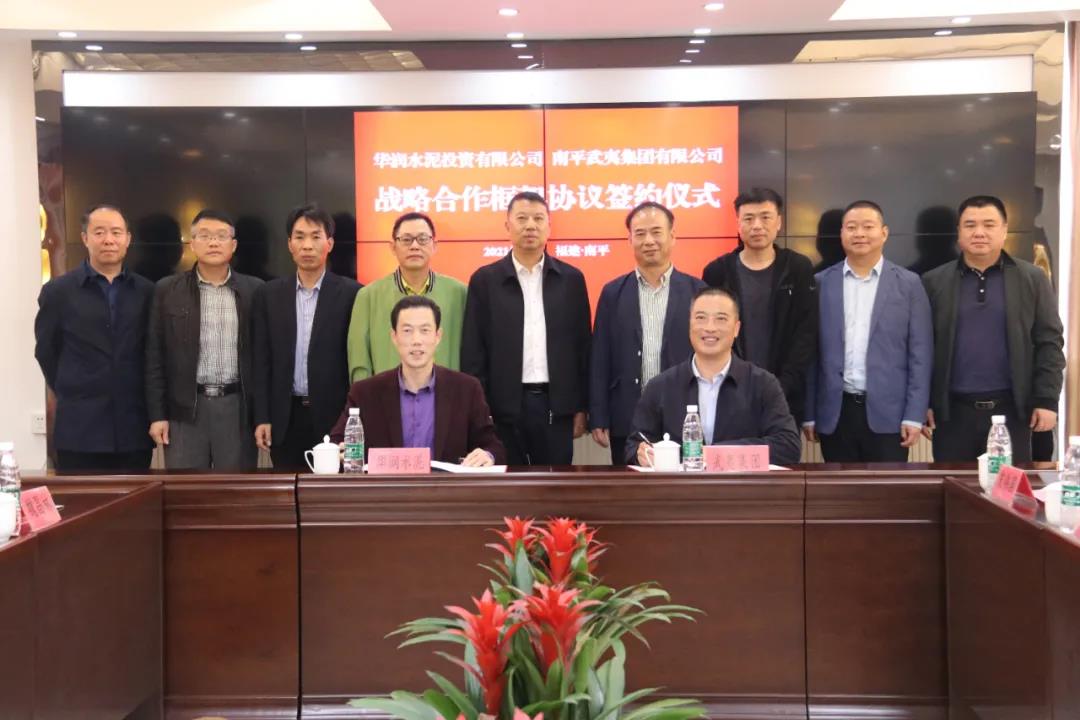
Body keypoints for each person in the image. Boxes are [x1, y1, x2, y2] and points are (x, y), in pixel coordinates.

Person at [921, 195, 1064, 462]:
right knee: (954, 485)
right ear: (959, 231)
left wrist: (1047, 400)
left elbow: (1050, 343)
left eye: (989, 224)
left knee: (1009, 487)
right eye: (970, 225)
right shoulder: (933, 281)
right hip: (952, 414)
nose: (979, 232)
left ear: (1004, 230)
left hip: (1013, 412)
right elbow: (923, 348)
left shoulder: (1032, 278)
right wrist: (924, 402)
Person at [462, 191, 591, 466]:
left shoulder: (571, 280)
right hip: (502, 408)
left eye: (538, 219)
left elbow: (582, 348)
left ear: (549, 227)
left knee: (555, 484)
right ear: (507, 226)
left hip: (556, 407)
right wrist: (479, 409)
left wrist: (581, 407)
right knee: (506, 482)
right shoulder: (485, 280)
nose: (530, 225)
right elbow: (474, 352)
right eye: (522, 218)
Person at [804, 200, 933, 462]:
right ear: (842, 234)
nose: (859, 234)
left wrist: (914, 414)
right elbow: (811, 355)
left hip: (890, 414)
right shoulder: (821, 284)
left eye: (868, 227)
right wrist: (809, 413)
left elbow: (921, 353)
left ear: (884, 233)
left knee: (887, 487)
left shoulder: (909, 284)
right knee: (838, 486)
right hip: (836, 412)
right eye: (851, 227)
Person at [34, 204, 154, 470]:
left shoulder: (147, 292)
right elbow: (46, 351)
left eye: (116, 232)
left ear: (128, 239)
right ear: (85, 238)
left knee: (137, 498)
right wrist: (74, 385)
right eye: (99, 232)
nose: (108, 239)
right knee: (80, 497)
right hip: (79, 429)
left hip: (133, 428)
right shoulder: (58, 292)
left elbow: (152, 353)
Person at [626, 287, 800, 466]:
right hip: (680, 484)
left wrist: (717, 454)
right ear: (690, 324)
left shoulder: (762, 383)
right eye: (701, 318)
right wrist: (641, 453)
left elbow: (788, 446)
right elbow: (634, 445)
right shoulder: (661, 386)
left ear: (736, 328)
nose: (710, 328)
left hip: (741, 484)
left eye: (721, 319)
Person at [145, 209, 264, 469]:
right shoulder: (167, 290)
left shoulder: (255, 290)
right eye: (205, 235)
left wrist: (262, 416)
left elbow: (264, 358)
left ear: (233, 245)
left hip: (237, 408)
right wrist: (157, 415)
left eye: (221, 236)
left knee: (235, 488)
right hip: (185, 410)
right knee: (186, 489)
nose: (213, 242)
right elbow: (154, 357)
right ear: (193, 243)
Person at [589, 201, 705, 464]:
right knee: (629, 484)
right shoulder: (613, 292)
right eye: (640, 234)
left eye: (656, 232)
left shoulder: (697, 291)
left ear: (672, 236)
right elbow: (600, 357)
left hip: (684, 413)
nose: (649, 241)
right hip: (627, 413)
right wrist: (599, 414)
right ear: (629, 239)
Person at [329, 296, 505, 465]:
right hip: (388, 486)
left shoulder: (466, 389)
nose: (416, 340)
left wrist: (488, 455)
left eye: (425, 330)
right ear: (394, 337)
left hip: (443, 485)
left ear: (438, 336)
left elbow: (493, 446)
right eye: (407, 331)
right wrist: (338, 453)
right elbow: (336, 443)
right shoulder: (365, 393)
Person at [253, 204, 361, 470]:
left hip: (334, 416)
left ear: (330, 243)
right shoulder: (268, 295)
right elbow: (261, 361)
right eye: (300, 237)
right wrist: (262, 417)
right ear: (289, 244)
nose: (308, 245)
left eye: (316, 236)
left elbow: (355, 358)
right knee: (288, 489)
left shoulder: (352, 294)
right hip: (284, 417)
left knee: (333, 489)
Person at [701, 187, 817, 423]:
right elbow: (709, 333)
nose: (757, 226)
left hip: (785, 396)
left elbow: (806, 333)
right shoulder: (717, 271)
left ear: (779, 222)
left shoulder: (798, 268)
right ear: (738, 224)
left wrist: (782, 387)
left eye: (765, 217)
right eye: (748, 218)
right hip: (728, 394)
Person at [348, 212, 467, 381]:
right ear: (392, 247)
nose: (415, 246)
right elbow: (359, 361)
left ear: (434, 245)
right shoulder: (368, 296)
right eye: (406, 239)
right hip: (386, 395)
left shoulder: (460, 293)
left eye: (422, 239)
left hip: (446, 394)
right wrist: (365, 396)